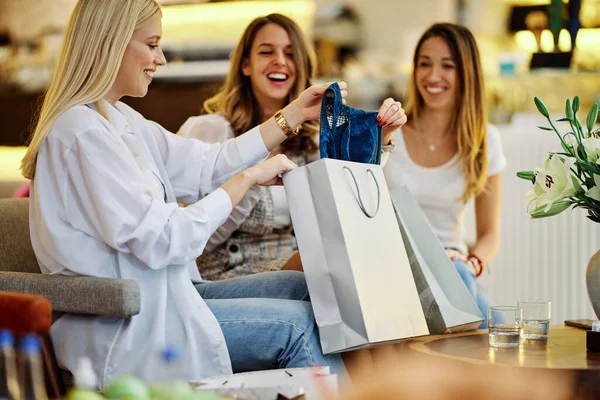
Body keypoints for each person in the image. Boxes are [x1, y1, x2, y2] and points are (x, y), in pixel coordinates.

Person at [20, 0, 350, 388]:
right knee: (297, 327)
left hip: (169, 293)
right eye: (152, 44)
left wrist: (294, 112)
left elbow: (208, 164)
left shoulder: (120, 119)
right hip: (132, 323)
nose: (160, 59)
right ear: (112, 43)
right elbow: (163, 240)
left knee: (303, 286)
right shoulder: (81, 133)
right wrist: (246, 179)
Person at [178, 13, 406, 280]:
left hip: (300, 263)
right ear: (245, 65)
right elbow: (194, 236)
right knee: (336, 266)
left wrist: (384, 139)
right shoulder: (208, 131)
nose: (280, 61)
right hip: (228, 269)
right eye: (266, 52)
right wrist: (251, 178)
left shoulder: (311, 140)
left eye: (290, 53)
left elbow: (356, 206)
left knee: (365, 254)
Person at [383, 23, 506, 328]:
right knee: (499, 330)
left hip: (455, 271)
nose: (432, 76)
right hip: (395, 269)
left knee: (468, 291)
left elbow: (490, 236)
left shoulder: (484, 139)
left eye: (447, 66)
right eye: (424, 64)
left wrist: (472, 262)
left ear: (467, 73)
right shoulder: (387, 132)